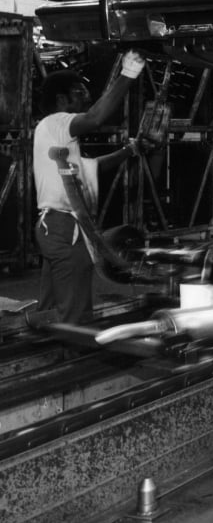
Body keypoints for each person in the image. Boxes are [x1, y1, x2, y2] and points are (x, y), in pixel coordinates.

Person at [33, 50, 147, 324]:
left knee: (53, 301)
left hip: (54, 226)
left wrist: (130, 150)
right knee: (75, 307)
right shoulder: (55, 122)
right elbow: (96, 117)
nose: (86, 96)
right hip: (62, 226)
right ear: (62, 100)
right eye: (79, 92)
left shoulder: (59, 139)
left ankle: (43, 338)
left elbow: (93, 166)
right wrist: (128, 73)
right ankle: (72, 355)